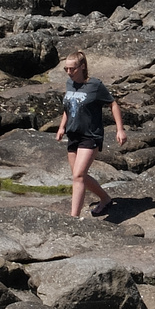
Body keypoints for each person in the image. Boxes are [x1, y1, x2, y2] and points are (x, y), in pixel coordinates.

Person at [55, 51, 127, 217]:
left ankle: (73, 217)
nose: (68, 72)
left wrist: (120, 129)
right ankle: (106, 199)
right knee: (79, 176)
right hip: (73, 134)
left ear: (82, 67)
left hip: (91, 135)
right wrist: (61, 127)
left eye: (72, 69)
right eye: (66, 69)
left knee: (79, 176)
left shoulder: (95, 85)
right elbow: (69, 107)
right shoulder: (69, 84)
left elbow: (113, 104)